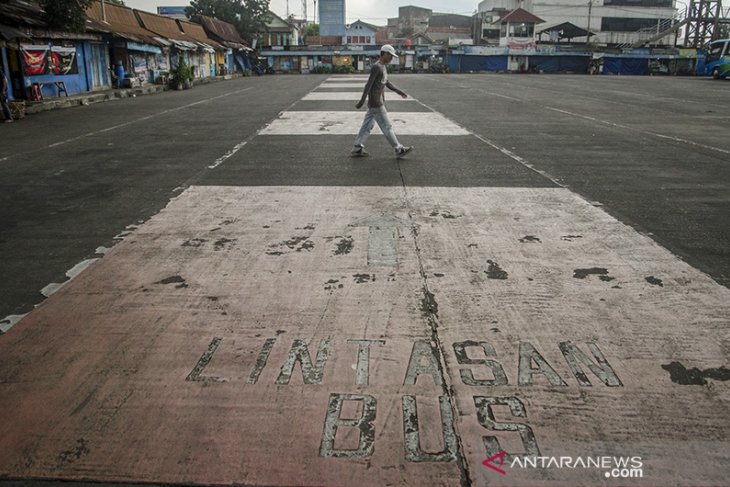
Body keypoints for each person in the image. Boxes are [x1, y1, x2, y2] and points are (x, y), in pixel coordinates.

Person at [351, 44, 413, 159]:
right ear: (385, 54)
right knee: (386, 126)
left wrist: (399, 92)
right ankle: (399, 149)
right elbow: (368, 85)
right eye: (390, 56)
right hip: (376, 103)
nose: (391, 58)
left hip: (376, 102)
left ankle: (357, 147)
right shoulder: (377, 67)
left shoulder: (383, 67)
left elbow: (386, 82)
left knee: (367, 126)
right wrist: (361, 101)